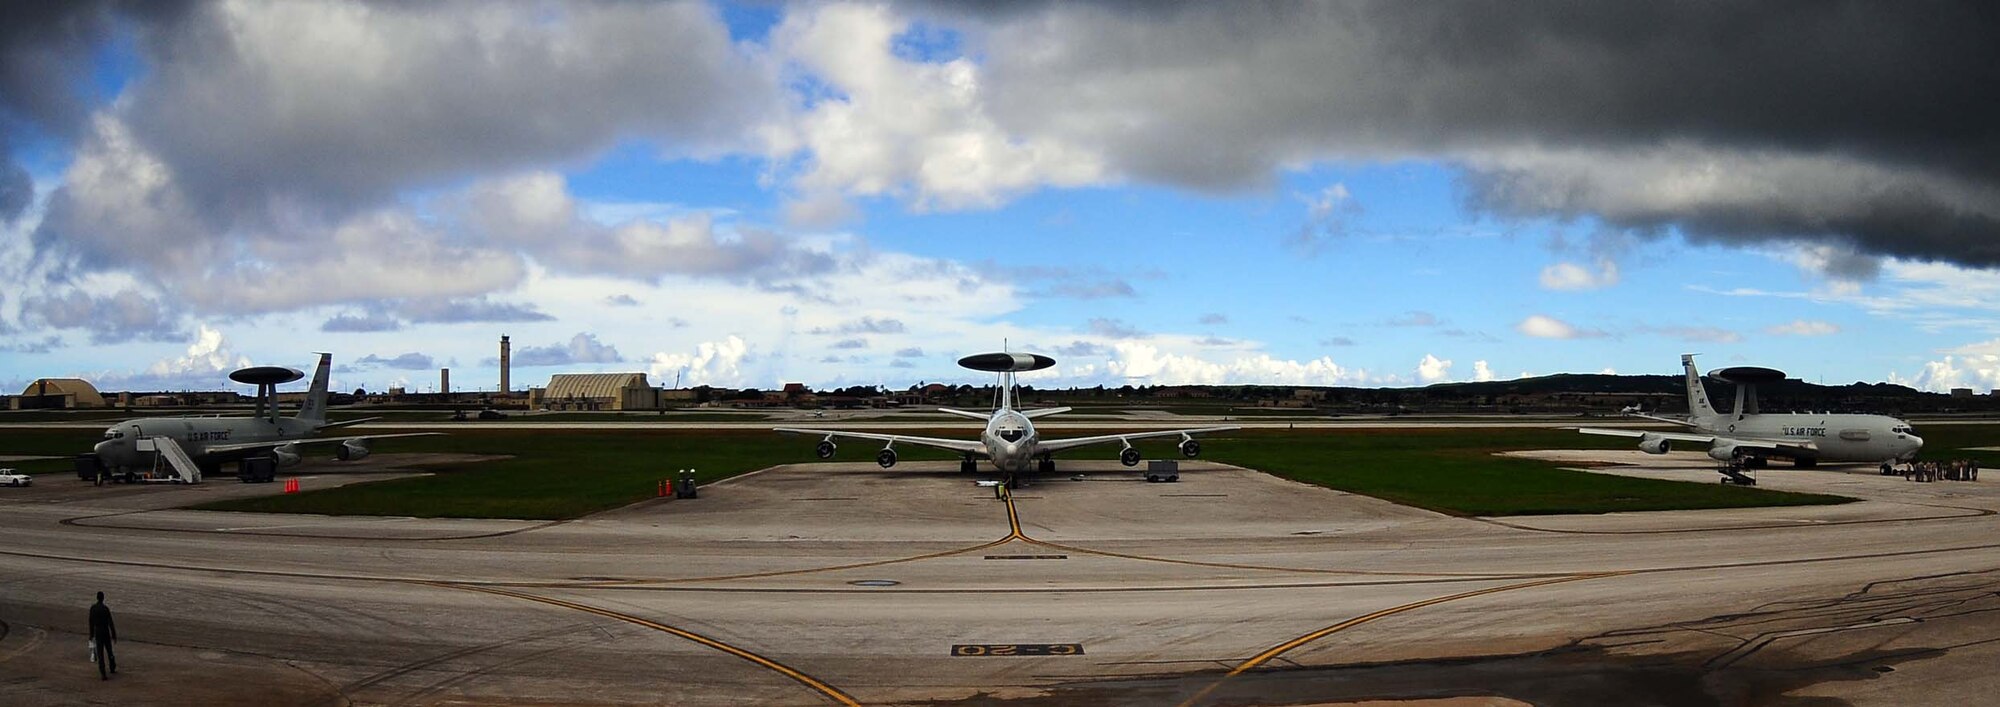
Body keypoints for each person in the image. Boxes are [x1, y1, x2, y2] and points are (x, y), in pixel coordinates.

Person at [89, 591, 116, 679]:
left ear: (97, 598)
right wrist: (113, 634)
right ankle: (112, 667)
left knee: (100, 653)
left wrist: (91, 634)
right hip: (105, 631)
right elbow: (110, 622)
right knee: (109, 651)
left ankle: (103, 673)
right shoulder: (105, 609)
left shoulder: (93, 608)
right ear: (103, 598)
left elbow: (91, 622)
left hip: (98, 631)